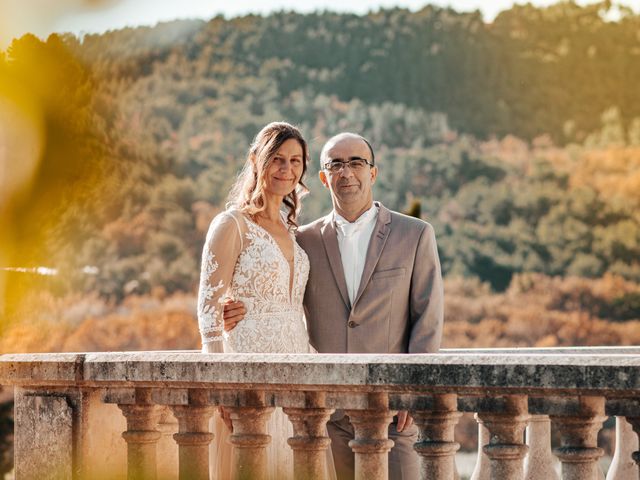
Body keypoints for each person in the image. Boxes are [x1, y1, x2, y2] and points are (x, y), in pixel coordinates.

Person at [224, 132, 444, 479]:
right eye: (335, 165)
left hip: (392, 409)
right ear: (324, 178)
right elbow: (279, 296)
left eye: (356, 162)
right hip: (327, 416)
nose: (347, 172)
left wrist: (413, 388)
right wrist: (234, 310)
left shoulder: (414, 234)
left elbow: (427, 319)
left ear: (373, 173)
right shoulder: (303, 241)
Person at [197, 121, 335, 479]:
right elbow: (208, 310)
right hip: (249, 363)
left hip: (297, 364)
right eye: (277, 159)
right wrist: (221, 387)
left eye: (295, 161)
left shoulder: (293, 230)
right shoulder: (232, 224)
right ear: (256, 160)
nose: (286, 170)